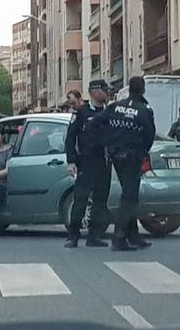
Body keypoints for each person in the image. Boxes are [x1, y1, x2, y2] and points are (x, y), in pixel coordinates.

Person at [98, 76, 155, 251]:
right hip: (132, 157)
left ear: (129, 88)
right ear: (143, 89)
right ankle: (119, 238)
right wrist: (142, 152)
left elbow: (98, 122)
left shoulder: (115, 106)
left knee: (128, 194)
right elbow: (149, 135)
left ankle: (133, 236)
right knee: (129, 198)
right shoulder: (144, 110)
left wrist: (108, 143)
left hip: (116, 156)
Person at [64, 79, 111, 248]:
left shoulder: (110, 112)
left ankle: (94, 236)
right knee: (81, 199)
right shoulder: (81, 113)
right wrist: (71, 161)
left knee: (100, 201)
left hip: (104, 162)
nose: (107, 93)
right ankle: (73, 235)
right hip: (85, 162)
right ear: (94, 92)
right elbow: (70, 138)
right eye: (104, 90)